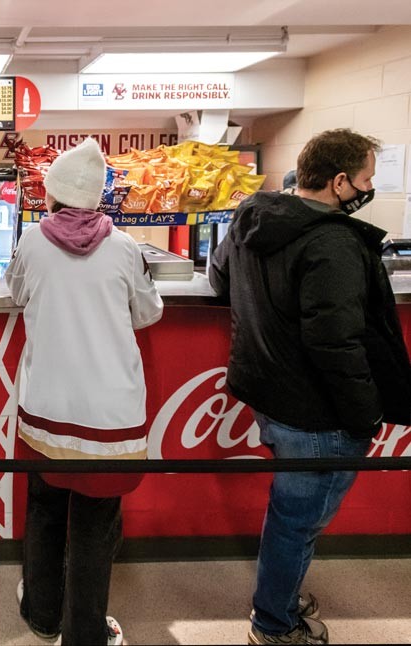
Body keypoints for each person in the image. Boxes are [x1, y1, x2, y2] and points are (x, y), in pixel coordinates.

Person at [209, 128, 411, 645]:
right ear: (341, 181)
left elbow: (220, 279)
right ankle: (274, 624)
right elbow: (335, 342)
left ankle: (282, 592)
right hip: (318, 412)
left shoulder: (251, 217)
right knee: (298, 521)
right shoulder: (333, 243)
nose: (368, 188)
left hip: (269, 394)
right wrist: (366, 413)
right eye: (366, 179)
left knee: (291, 515)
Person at [5, 137, 163, 646]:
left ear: (51, 195)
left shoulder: (30, 242)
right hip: (109, 415)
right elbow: (149, 312)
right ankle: (86, 634)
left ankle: (43, 614)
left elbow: (16, 292)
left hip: (47, 406)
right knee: (96, 526)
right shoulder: (124, 248)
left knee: (45, 506)